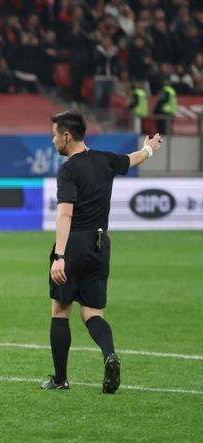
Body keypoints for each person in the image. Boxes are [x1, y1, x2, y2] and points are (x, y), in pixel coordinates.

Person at [42, 111, 162, 394]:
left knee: (60, 311)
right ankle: (109, 355)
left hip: (74, 244)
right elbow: (134, 158)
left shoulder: (68, 170)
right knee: (93, 312)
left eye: (55, 135)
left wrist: (59, 256)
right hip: (99, 244)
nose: (53, 140)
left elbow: (65, 215)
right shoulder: (105, 160)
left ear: (67, 136)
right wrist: (149, 148)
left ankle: (60, 379)